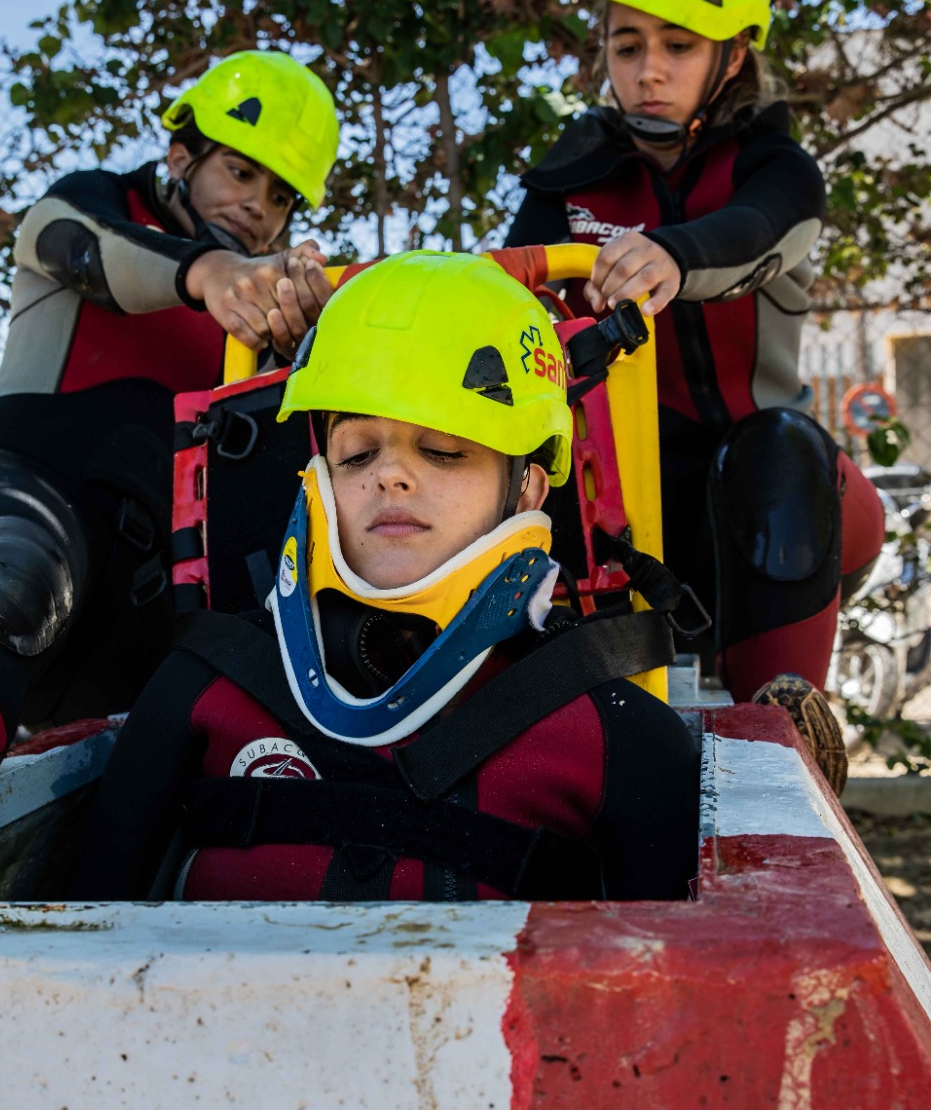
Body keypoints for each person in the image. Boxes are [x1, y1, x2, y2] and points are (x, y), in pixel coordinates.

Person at [72, 251, 700, 904]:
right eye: (357, 453)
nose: (391, 477)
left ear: (525, 493)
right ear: (319, 479)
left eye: (444, 451)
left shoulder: (620, 736)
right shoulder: (203, 682)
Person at [0, 49, 339, 902]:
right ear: (182, 155)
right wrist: (212, 274)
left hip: (144, 602)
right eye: (240, 172)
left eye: (279, 198)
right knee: (15, 571)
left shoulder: (267, 320)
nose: (256, 209)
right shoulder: (90, 208)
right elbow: (93, 247)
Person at [507, 0, 884, 788]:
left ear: (733, 53)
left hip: (767, 496)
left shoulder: (777, 168)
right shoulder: (568, 178)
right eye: (626, 43)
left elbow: (764, 229)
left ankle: (786, 745)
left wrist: (671, 256)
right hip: (620, 507)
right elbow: (508, 288)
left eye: (678, 45)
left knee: (785, 449)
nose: (647, 70)